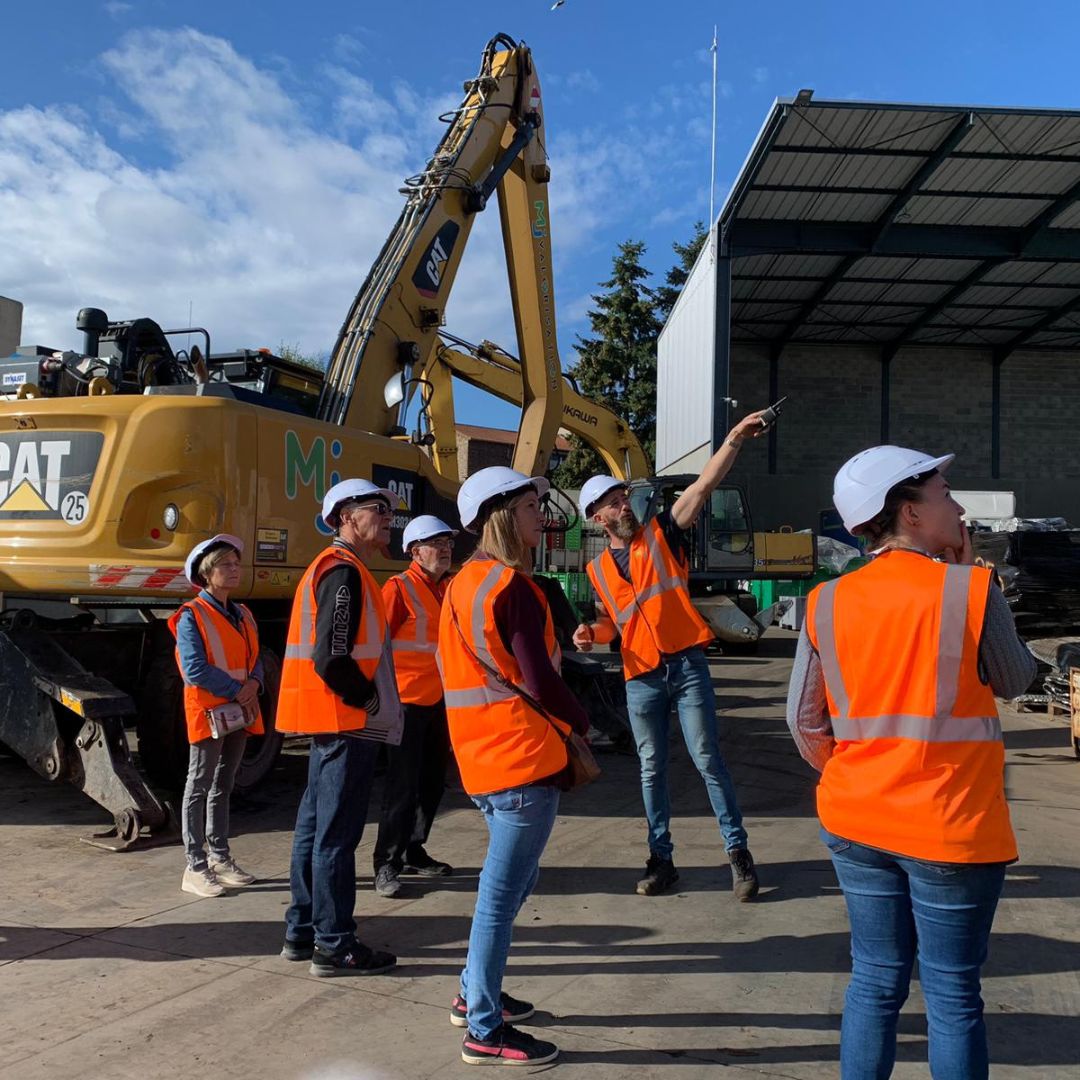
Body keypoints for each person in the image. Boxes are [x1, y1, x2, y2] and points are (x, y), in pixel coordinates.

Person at [786, 445, 1036, 1079]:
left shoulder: (826, 601)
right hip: (949, 828)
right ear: (910, 512)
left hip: (856, 820)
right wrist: (972, 575)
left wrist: (860, 774)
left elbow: (803, 720)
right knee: (952, 997)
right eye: (945, 491)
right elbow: (1013, 681)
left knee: (873, 980)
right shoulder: (971, 588)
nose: (957, 504)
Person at [573, 410, 767, 899]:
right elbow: (611, 622)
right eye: (615, 503)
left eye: (624, 498)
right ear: (598, 517)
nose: (624, 505)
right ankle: (661, 859)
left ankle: (738, 854)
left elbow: (702, 487)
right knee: (651, 766)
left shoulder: (662, 532)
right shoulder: (597, 569)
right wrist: (588, 634)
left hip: (685, 665)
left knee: (707, 758)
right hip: (640, 676)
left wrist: (734, 440)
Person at [439, 466, 590, 1067]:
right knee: (500, 900)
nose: (542, 517)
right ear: (503, 516)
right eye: (532, 507)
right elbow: (541, 679)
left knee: (507, 890)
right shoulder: (515, 589)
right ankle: (483, 1027)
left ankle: (475, 994)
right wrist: (582, 721)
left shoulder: (461, 584)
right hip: (523, 759)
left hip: (481, 759)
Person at [278, 478, 405, 977]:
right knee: (335, 836)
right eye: (379, 508)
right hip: (345, 722)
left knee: (314, 831)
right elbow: (331, 657)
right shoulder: (343, 571)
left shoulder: (340, 569)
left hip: (331, 722)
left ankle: (303, 931)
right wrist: (369, 698)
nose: (388, 515)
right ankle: (334, 943)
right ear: (346, 517)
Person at [169, 534, 264, 898]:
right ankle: (195, 865)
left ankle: (220, 857)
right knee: (199, 785)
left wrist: (254, 682)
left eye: (236, 564)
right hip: (211, 712)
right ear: (207, 574)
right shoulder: (192, 616)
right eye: (226, 565)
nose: (234, 570)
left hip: (239, 710)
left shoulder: (243, 614)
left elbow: (255, 658)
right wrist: (239, 689)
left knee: (224, 784)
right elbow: (193, 669)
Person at [372, 514, 458, 899]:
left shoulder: (449, 589)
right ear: (413, 551)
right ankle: (386, 864)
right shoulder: (398, 588)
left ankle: (414, 849)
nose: (444, 549)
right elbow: (376, 647)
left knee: (431, 783)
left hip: (440, 701)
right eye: (435, 543)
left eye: (448, 543)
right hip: (405, 704)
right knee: (401, 787)